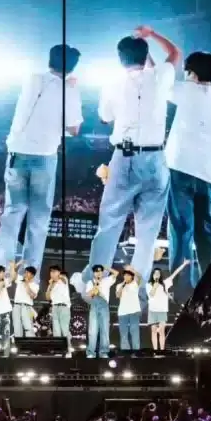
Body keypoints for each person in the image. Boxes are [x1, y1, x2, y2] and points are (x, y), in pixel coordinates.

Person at [70, 26, 181, 307]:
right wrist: (151, 34)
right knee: (147, 233)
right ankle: (137, 295)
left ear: (120, 60)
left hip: (125, 157)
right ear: (146, 56)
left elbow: (105, 117)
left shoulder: (113, 84)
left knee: (109, 224)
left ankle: (93, 285)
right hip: (156, 159)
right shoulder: (160, 76)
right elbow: (174, 53)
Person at [0, 44, 83, 273]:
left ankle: (2, 266)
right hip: (44, 157)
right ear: (72, 68)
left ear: (49, 60)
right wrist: (71, 89)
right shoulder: (70, 90)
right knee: (39, 217)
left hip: (17, 153)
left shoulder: (32, 79)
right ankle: (29, 272)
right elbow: (74, 129)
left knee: (13, 212)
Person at [163, 51, 211, 290]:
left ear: (191, 73)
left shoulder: (186, 90)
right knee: (207, 232)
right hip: (207, 173)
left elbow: (159, 82)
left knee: (181, 229)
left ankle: (181, 291)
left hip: (180, 168)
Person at [146, 260, 190, 351]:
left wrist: (184, 264)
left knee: (161, 331)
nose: (157, 275)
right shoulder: (148, 285)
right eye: (155, 273)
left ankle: (161, 350)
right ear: (152, 275)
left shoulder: (165, 283)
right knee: (153, 331)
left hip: (162, 310)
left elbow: (175, 274)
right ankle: (155, 350)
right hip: (152, 310)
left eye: (158, 273)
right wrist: (155, 285)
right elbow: (151, 294)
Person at [84, 265, 113, 359]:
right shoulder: (90, 282)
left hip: (104, 305)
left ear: (103, 272)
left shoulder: (107, 280)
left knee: (104, 329)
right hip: (94, 305)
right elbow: (89, 294)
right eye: (96, 271)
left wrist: (107, 268)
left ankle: (103, 352)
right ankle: (91, 352)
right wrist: (95, 285)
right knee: (93, 330)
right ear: (94, 273)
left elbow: (116, 274)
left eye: (100, 271)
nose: (98, 273)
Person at [114, 267, 142, 351]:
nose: (126, 277)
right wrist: (123, 285)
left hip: (134, 312)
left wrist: (133, 270)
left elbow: (139, 277)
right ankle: (125, 353)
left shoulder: (135, 284)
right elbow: (118, 295)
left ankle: (136, 352)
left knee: (134, 333)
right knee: (123, 334)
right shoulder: (119, 285)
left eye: (128, 275)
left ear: (132, 276)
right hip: (122, 313)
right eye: (125, 275)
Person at [12, 264, 39, 343]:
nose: (25, 274)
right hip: (16, 306)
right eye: (25, 272)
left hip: (27, 307)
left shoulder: (35, 285)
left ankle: (31, 345)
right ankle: (18, 345)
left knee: (28, 327)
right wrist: (15, 268)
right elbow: (13, 276)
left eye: (28, 273)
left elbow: (32, 295)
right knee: (17, 328)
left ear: (32, 275)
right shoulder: (20, 280)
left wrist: (26, 283)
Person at [46, 265, 72, 342]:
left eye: (54, 271)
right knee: (56, 331)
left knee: (64, 330)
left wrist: (57, 277)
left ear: (59, 272)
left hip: (63, 307)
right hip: (54, 307)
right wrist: (50, 285)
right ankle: (58, 348)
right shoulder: (50, 284)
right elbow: (47, 297)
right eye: (51, 272)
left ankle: (67, 347)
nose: (52, 273)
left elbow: (61, 278)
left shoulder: (64, 279)